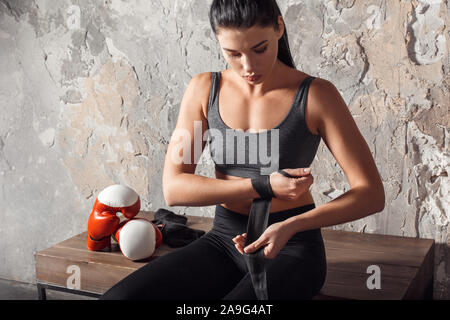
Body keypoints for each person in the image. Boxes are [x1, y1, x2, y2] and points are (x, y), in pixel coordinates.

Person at [100, 0, 385, 300]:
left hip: (292, 248)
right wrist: (262, 185)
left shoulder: (316, 96)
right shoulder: (203, 91)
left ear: (279, 27)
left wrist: (293, 225)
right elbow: (175, 188)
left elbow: (370, 193)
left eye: (259, 49)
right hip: (223, 242)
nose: (248, 66)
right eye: (233, 54)